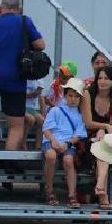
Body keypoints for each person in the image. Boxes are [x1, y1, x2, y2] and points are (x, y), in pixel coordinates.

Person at [0, 0, 46, 151]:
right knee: (16, 127)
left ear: (0, 9)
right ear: (19, 9)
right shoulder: (24, 21)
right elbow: (40, 45)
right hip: (14, 79)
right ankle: (8, 160)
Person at [41, 77, 89, 206]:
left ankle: (72, 195)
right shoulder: (55, 110)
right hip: (51, 140)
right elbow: (46, 130)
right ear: (65, 95)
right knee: (51, 156)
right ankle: (49, 190)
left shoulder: (80, 115)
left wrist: (67, 144)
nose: (73, 99)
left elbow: (78, 135)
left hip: (68, 142)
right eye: (70, 96)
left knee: (68, 160)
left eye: (76, 96)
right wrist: (53, 141)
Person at [84, 66, 112, 208]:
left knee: (104, 145)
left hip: (106, 136)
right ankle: (102, 192)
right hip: (87, 135)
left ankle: (101, 188)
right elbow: (88, 123)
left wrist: (104, 130)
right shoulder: (88, 93)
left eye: (106, 78)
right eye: (100, 78)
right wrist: (103, 127)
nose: (102, 81)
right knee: (102, 148)